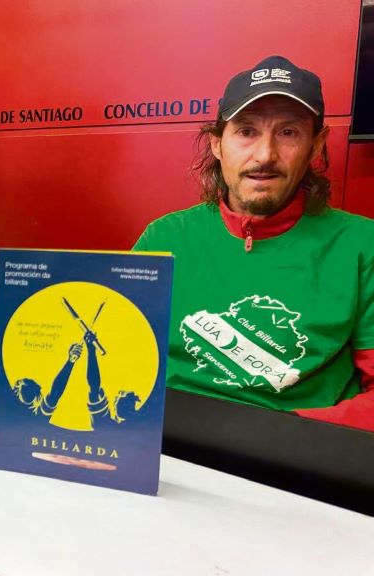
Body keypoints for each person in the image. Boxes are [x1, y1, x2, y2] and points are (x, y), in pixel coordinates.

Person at [133, 55, 374, 431]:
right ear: (217, 144)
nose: (265, 155)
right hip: (170, 443)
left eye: (289, 133)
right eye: (246, 131)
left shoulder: (363, 245)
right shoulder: (163, 237)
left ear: (315, 146)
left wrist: (276, 436)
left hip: (295, 454)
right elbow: (124, 356)